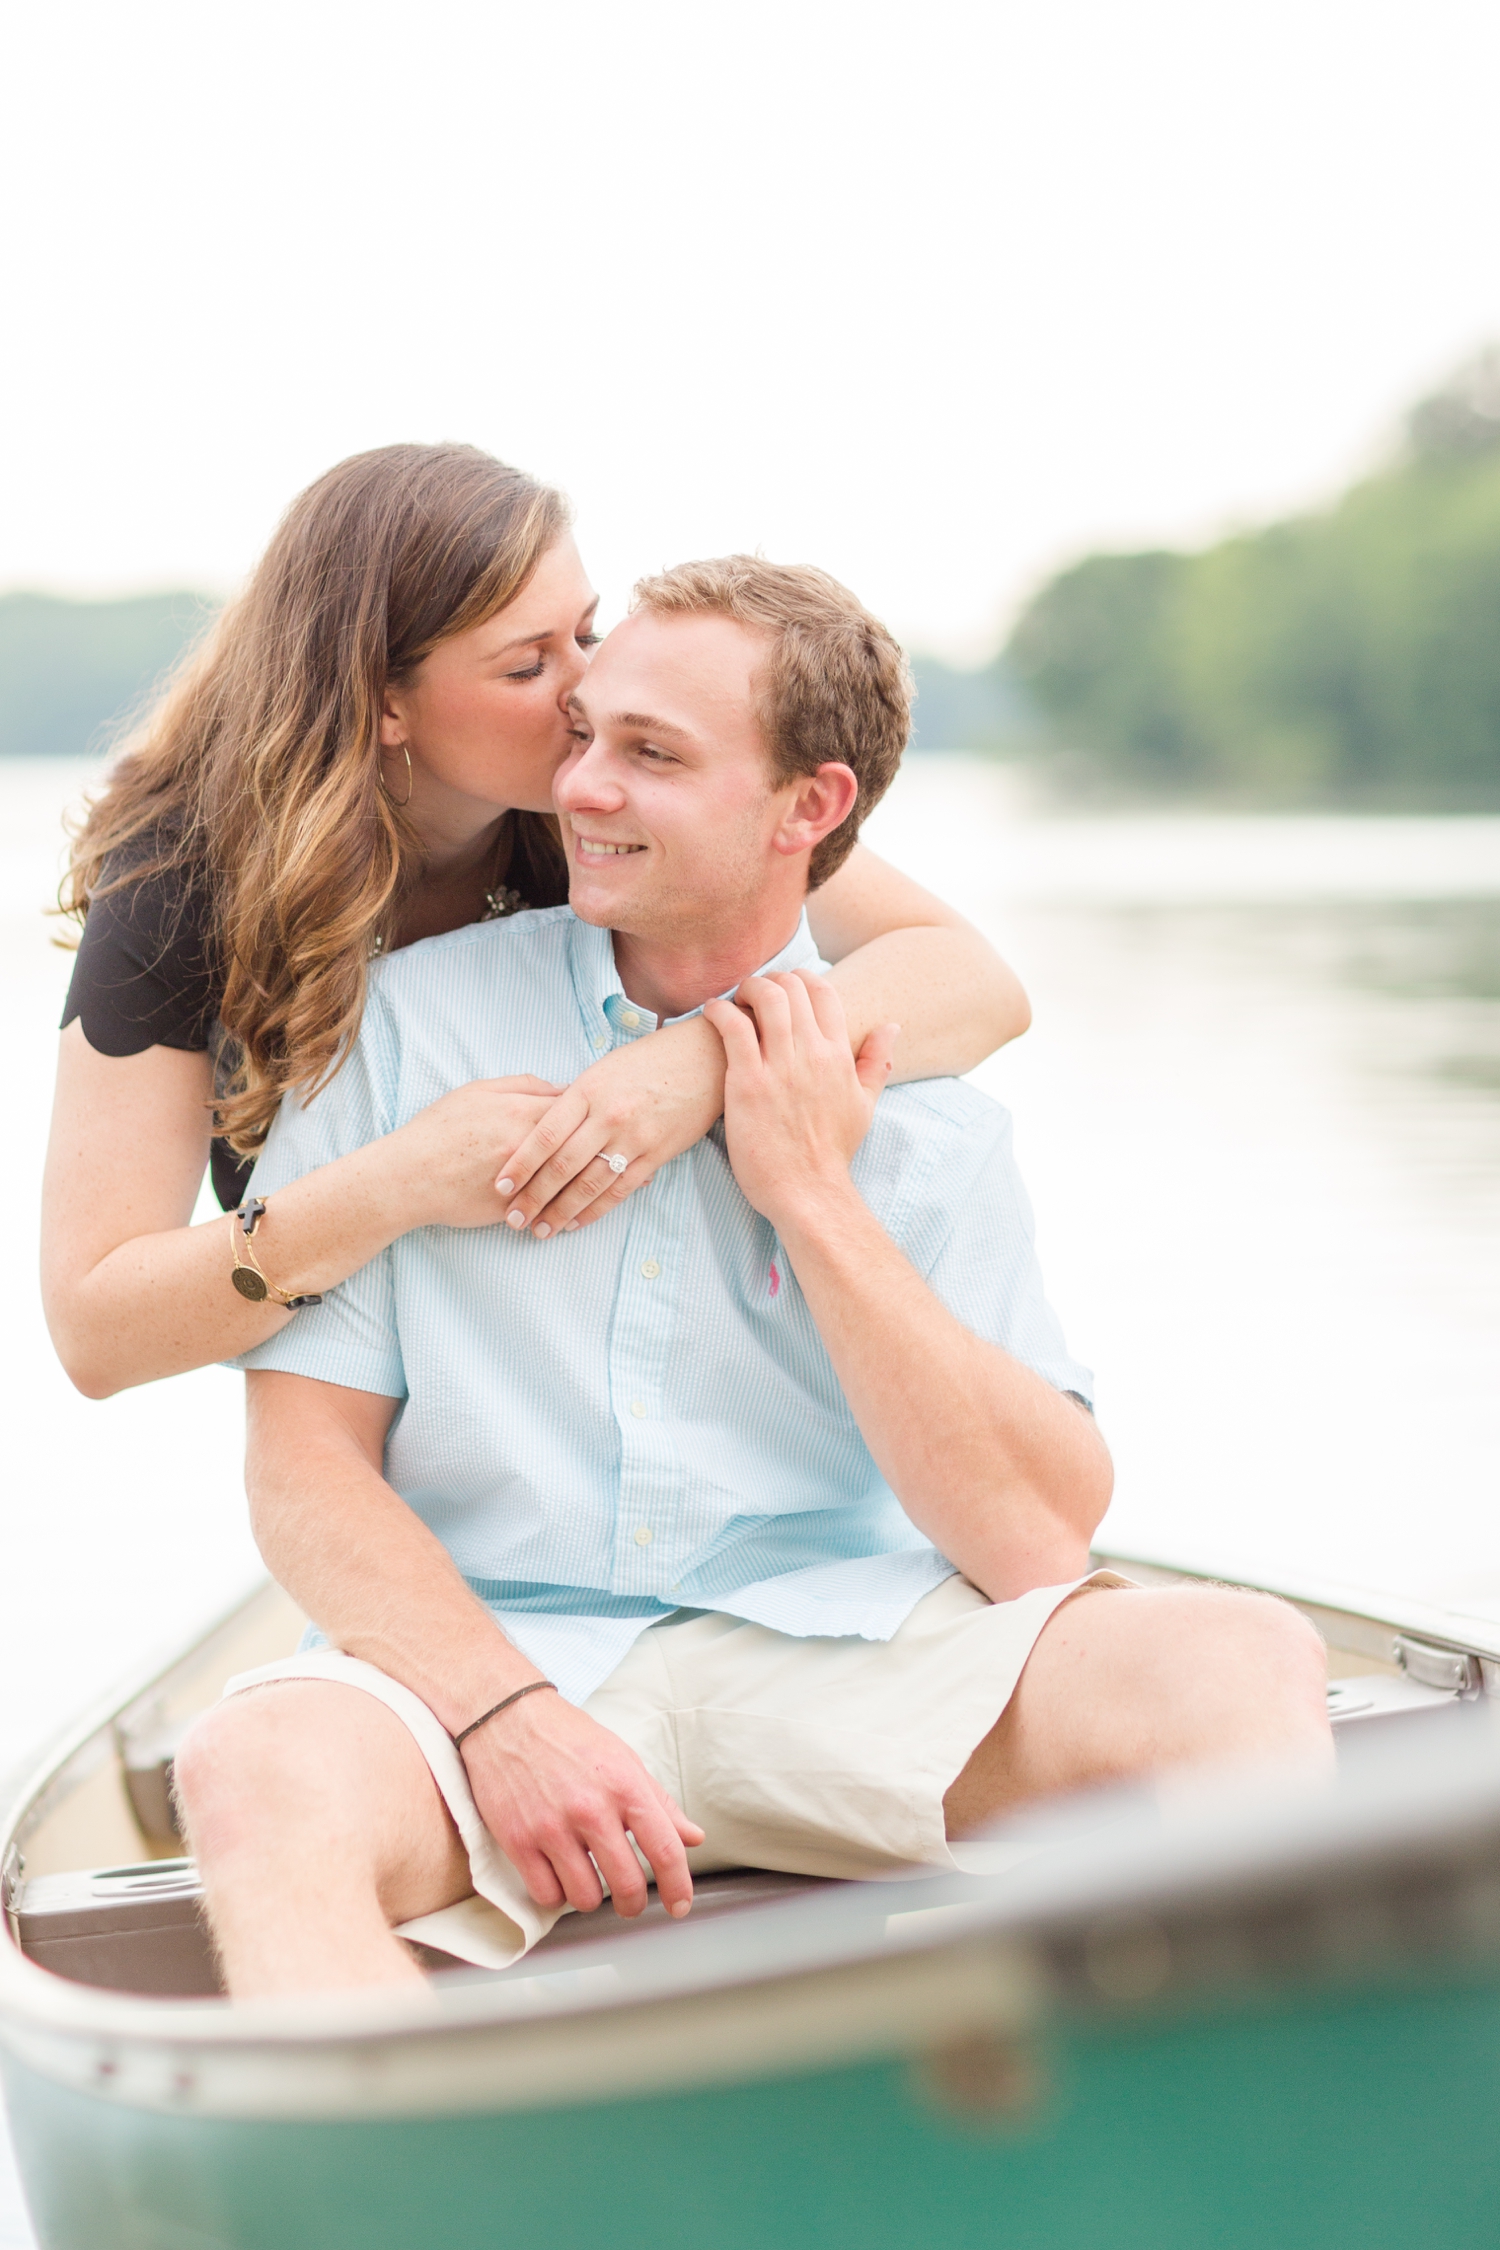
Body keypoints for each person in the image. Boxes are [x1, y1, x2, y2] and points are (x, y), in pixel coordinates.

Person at [175, 556, 1332, 1998]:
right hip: (482, 1656)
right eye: (586, 731)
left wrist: (808, 1193)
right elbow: (304, 1474)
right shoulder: (401, 1037)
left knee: (1234, 1658)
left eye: (651, 754)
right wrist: (502, 1713)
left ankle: (1291, 2145)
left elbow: (1039, 1545)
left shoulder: (925, 1107)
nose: (581, 784)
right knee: (254, 1763)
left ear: (811, 807)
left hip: (849, 1650)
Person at [41, 445, 1029, 1402]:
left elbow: (974, 982)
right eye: (527, 667)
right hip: (355, 1412)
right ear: (385, 704)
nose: (588, 692)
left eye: (585, 634)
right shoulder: (186, 883)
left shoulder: (604, 815)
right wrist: (399, 1182)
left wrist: (686, 1074)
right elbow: (96, 1331)